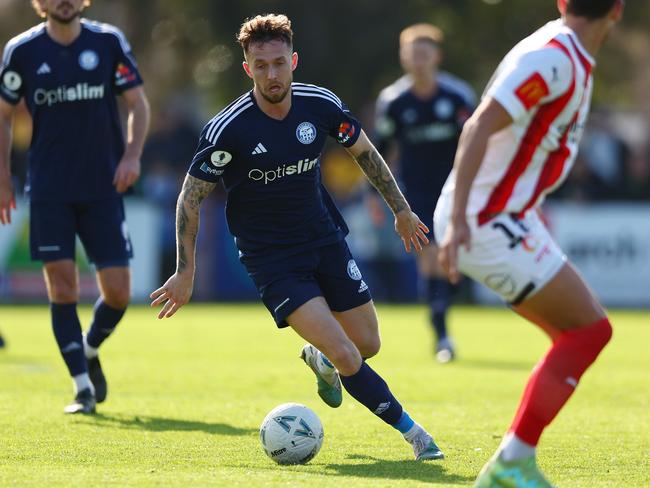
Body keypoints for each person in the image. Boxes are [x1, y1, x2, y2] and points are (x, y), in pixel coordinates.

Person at [150, 14, 443, 461]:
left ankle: (320, 358)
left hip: (324, 239)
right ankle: (415, 435)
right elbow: (190, 199)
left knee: (367, 345)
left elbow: (365, 152)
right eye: (261, 65)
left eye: (279, 63)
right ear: (247, 68)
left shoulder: (320, 105)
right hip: (273, 260)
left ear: (294, 62)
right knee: (348, 354)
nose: (271, 74)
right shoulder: (229, 130)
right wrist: (184, 272)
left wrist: (401, 209)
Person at [434, 0, 623, 485]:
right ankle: (512, 461)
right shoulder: (555, 56)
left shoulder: (566, 53)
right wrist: (458, 221)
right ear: (618, 11)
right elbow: (479, 125)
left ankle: (515, 459)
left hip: (504, 216)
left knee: (581, 333)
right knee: (588, 331)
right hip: (486, 220)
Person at [0, 0, 150, 414]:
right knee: (62, 287)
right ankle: (82, 387)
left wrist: (132, 155)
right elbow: (3, 114)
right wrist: (1, 175)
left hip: (102, 187)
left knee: (118, 293)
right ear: (40, 3)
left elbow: (137, 103)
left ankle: (88, 348)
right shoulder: (22, 51)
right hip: (49, 190)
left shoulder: (107, 43)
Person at [374, 23, 475, 362]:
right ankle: (442, 335)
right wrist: (376, 197)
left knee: (450, 266)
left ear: (437, 57)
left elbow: (476, 146)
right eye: (411, 54)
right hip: (414, 195)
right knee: (429, 260)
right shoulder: (394, 102)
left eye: (424, 54)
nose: (418, 61)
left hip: (456, 192)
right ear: (404, 58)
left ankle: (445, 309)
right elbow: (377, 154)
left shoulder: (458, 97)